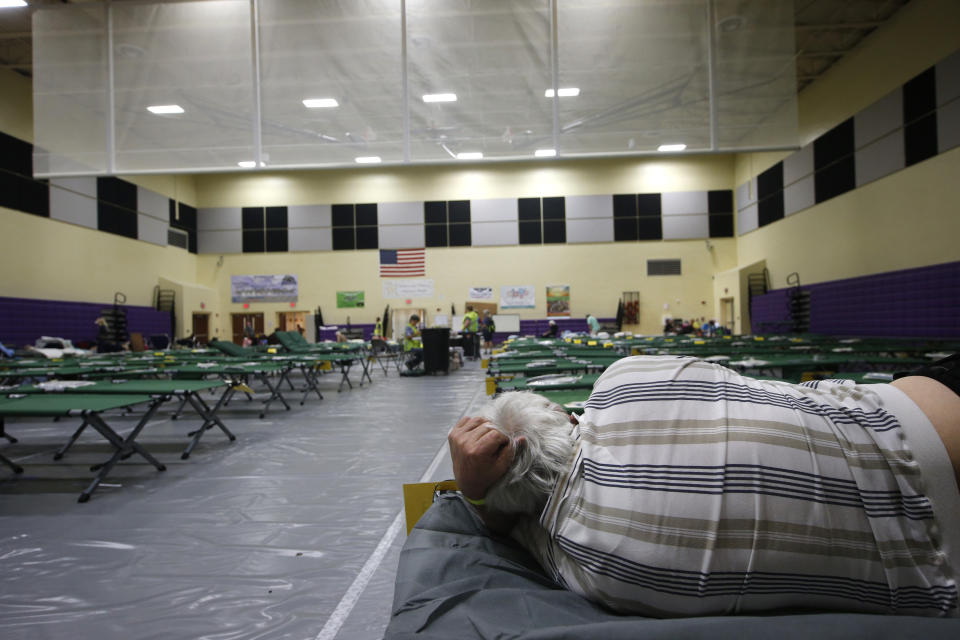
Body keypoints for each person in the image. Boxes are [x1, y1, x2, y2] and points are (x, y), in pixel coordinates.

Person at [448, 354, 960, 618]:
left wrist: (478, 495)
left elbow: (511, 526)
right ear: (561, 414)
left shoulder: (594, 565)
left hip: (941, 563)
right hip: (918, 409)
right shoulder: (627, 378)